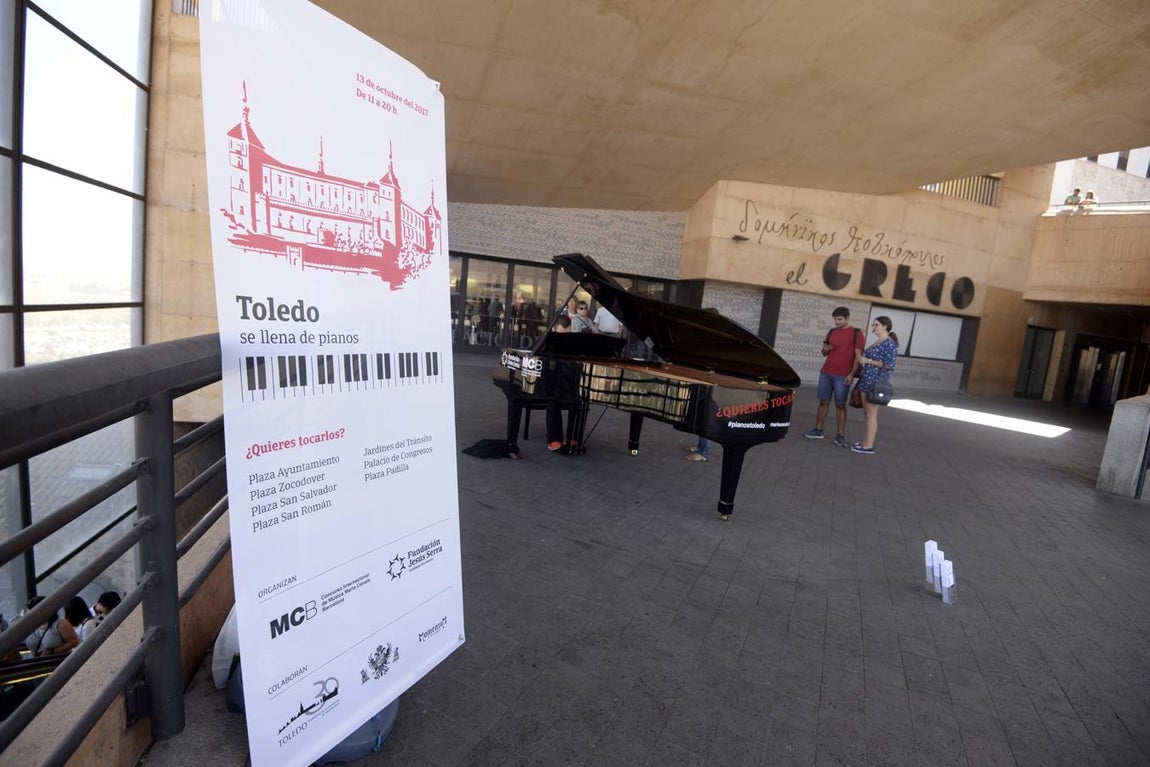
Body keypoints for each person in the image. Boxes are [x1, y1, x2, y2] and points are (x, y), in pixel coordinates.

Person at [803, 307, 864, 447]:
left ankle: (840, 436)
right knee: (823, 402)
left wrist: (852, 374)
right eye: (835, 319)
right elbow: (824, 351)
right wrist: (825, 349)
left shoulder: (856, 333)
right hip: (826, 372)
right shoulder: (831, 332)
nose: (837, 322)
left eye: (839, 319)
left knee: (840, 405)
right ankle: (818, 430)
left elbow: (857, 355)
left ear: (847, 318)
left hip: (843, 376)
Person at [851, 316, 899, 455]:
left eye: (876, 324)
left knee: (871, 414)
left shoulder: (889, 344)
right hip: (867, 380)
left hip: (876, 382)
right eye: (873, 324)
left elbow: (889, 365)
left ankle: (869, 445)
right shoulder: (879, 341)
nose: (873, 327)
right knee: (867, 414)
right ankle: (866, 442)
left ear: (885, 326)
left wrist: (868, 360)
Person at [546, 315, 580, 452]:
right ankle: (554, 439)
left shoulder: (573, 343)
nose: (564, 338)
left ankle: (573, 437)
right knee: (552, 400)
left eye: (567, 334)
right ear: (554, 329)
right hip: (551, 382)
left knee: (579, 401)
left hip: (569, 382)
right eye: (561, 334)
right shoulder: (547, 341)